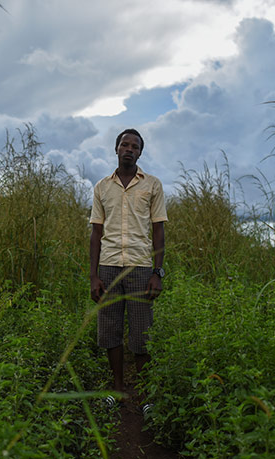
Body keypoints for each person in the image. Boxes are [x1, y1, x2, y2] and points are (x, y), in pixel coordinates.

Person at [89, 128, 167, 405]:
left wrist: (157, 273)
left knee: (142, 333)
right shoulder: (101, 187)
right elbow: (96, 233)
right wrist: (93, 276)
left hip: (141, 267)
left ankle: (145, 397)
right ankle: (118, 389)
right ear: (116, 148)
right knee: (110, 331)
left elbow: (158, 231)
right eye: (125, 144)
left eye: (135, 146)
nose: (129, 149)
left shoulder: (152, 185)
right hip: (109, 266)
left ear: (140, 153)